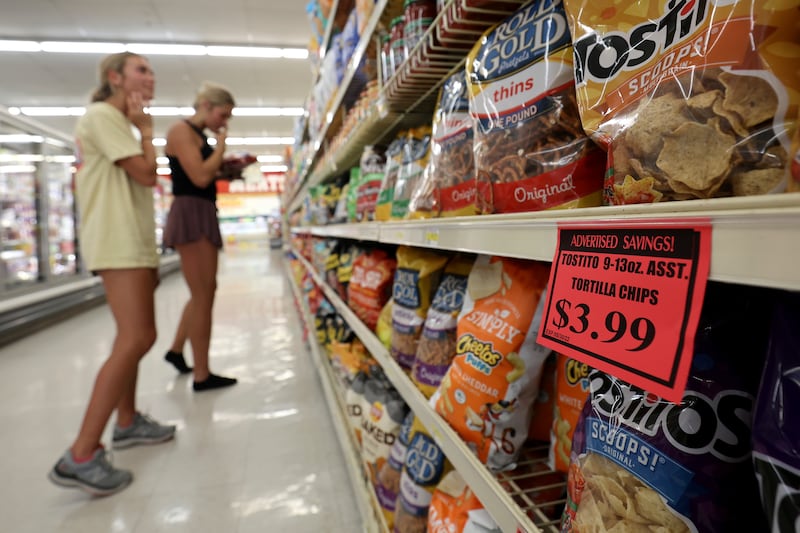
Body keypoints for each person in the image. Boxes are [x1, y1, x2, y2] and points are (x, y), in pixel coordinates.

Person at [48, 52, 176, 497]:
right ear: (114, 77)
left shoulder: (113, 120)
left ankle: (126, 423)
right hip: (117, 237)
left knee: (134, 335)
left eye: (151, 70)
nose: (150, 76)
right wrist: (146, 132)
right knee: (137, 337)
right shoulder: (104, 116)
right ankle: (81, 453)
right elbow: (145, 174)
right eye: (141, 69)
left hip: (130, 237)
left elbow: (145, 177)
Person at [161, 83, 238, 392]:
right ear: (205, 105)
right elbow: (200, 176)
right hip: (191, 213)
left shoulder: (197, 136)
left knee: (202, 291)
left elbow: (205, 175)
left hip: (201, 209)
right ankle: (202, 374)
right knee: (204, 294)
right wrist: (221, 147)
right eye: (222, 114)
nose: (224, 122)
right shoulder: (181, 131)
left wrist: (227, 169)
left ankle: (178, 350)